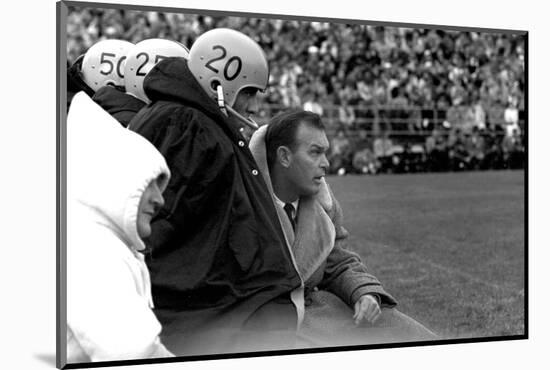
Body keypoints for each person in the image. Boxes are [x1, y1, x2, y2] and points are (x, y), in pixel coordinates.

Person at [128, 28, 303, 356]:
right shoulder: (186, 125)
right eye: (249, 91)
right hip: (205, 305)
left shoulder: (190, 120)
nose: (252, 105)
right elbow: (165, 225)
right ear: (220, 82)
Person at [249, 109, 438, 347]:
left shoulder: (323, 207)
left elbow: (337, 262)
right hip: (272, 327)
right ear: (284, 157)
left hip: (319, 312)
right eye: (315, 153)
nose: (326, 163)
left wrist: (363, 293)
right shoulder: (244, 210)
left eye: (325, 152)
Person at [66, 92, 173, 363]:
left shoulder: (92, 238)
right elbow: (134, 354)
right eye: (149, 183)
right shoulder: (93, 250)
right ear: (118, 180)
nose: (160, 200)